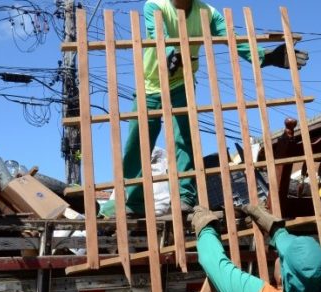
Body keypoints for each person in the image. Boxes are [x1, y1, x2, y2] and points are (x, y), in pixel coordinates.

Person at [100, 0, 309, 218]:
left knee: (184, 138)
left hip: (182, 82)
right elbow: (156, 33)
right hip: (150, 82)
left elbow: (232, 39)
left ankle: (185, 197)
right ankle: (133, 201)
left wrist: (265, 57)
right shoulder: (155, 6)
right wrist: (170, 52)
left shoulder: (207, 13)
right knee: (139, 141)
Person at [192, 204, 321, 292]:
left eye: (282, 258)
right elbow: (304, 263)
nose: (279, 255)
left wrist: (206, 227)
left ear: (283, 278)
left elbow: (215, 264)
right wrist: (276, 229)